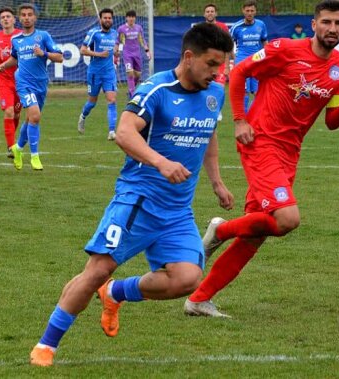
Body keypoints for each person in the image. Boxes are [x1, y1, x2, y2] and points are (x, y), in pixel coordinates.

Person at [29, 22, 234, 367]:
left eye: (222, 64)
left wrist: (216, 182)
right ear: (188, 57)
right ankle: (46, 346)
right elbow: (124, 132)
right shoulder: (157, 89)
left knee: (187, 279)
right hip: (137, 202)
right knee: (95, 270)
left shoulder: (214, 93)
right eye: (212, 64)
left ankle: (115, 292)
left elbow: (209, 135)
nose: (218, 72)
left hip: (178, 211)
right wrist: (160, 162)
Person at [184, 0, 339, 318]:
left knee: (257, 234)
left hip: (289, 153)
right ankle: (220, 231)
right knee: (287, 219)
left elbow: (331, 122)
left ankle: (198, 299)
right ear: (314, 24)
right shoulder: (284, 49)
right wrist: (239, 120)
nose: (332, 29)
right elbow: (239, 72)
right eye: (327, 22)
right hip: (260, 140)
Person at [0, 3, 63, 171]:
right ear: (20, 18)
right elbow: (15, 58)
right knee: (34, 116)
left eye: (29, 15)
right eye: (24, 15)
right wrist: (4, 66)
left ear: (35, 17)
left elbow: (60, 57)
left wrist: (44, 54)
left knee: (30, 119)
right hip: (23, 83)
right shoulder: (16, 39)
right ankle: (35, 156)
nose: (26, 17)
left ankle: (18, 149)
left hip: (40, 84)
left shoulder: (43, 36)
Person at [77, 8, 119, 141]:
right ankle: (83, 116)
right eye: (105, 18)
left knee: (112, 99)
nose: (107, 20)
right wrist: (99, 54)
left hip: (109, 73)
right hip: (94, 72)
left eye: (109, 18)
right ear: (100, 19)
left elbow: (115, 48)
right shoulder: (93, 32)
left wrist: (116, 51)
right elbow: (82, 50)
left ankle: (112, 131)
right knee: (92, 102)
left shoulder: (114, 33)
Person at [0, 6, 23, 159]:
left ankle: (11, 139)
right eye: (2, 17)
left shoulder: (21, 36)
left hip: (21, 80)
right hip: (3, 80)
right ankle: (11, 147)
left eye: (8, 16)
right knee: (8, 111)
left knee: (16, 114)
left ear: (14, 20)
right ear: (0, 21)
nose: (5, 19)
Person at [229, 0, 268, 113]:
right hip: (242, 62)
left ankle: (252, 114)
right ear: (243, 11)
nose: (249, 13)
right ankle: (244, 117)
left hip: (257, 62)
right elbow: (229, 45)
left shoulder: (261, 25)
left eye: (252, 10)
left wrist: (267, 57)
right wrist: (234, 59)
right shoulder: (236, 27)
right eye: (247, 10)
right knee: (244, 91)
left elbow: (265, 42)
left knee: (257, 92)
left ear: (255, 11)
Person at [203, 3, 232, 122]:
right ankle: (205, 111)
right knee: (204, 88)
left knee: (219, 89)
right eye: (208, 11)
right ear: (204, 14)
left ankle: (217, 111)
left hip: (219, 64)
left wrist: (226, 65)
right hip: (205, 64)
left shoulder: (222, 27)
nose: (210, 13)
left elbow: (228, 47)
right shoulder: (200, 28)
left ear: (216, 13)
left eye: (212, 11)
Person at [116, 10, 151, 99]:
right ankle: (132, 94)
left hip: (137, 54)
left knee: (138, 75)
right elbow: (119, 42)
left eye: (133, 17)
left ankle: (131, 90)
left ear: (135, 18)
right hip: (127, 54)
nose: (131, 18)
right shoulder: (122, 29)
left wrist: (147, 51)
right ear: (126, 18)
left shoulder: (139, 28)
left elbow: (142, 40)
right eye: (129, 17)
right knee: (130, 74)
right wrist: (117, 54)